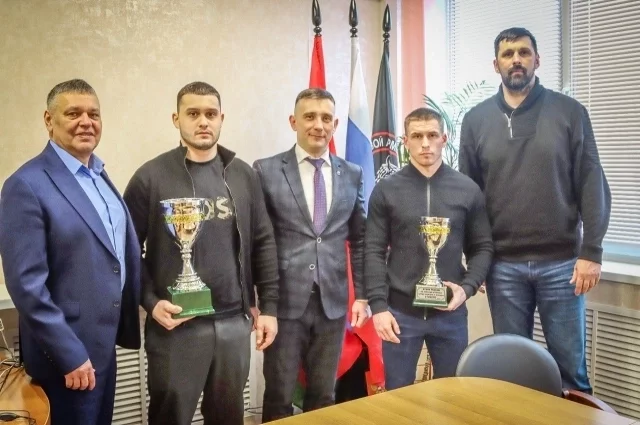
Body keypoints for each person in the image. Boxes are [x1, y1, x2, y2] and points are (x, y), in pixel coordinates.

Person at [459, 27, 611, 393]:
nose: (516, 60)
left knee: (571, 373)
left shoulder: (569, 112)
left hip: (563, 266)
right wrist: (476, 258)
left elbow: (592, 182)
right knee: (512, 373)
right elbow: (469, 196)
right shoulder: (476, 120)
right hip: (503, 268)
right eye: (508, 54)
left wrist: (591, 252)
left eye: (524, 52)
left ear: (537, 60)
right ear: (495, 64)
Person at [122, 81, 279, 425]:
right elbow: (126, 251)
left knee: (228, 417)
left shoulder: (243, 175)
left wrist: (268, 307)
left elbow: (264, 241)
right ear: (176, 119)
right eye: (193, 113)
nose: (203, 121)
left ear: (222, 118)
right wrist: (150, 302)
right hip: (177, 327)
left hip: (233, 322)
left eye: (210, 114)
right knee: (170, 417)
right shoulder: (150, 177)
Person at [0, 79, 141, 425]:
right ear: (49, 120)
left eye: (94, 114)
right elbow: (26, 285)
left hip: (104, 345)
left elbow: (113, 256)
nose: (86, 122)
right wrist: (70, 354)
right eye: (73, 113)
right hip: (66, 356)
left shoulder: (99, 175)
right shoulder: (26, 185)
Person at [254, 88, 368, 422]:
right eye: (310, 117)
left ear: (335, 124)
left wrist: (363, 295)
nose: (318, 125)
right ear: (294, 122)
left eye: (326, 118)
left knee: (324, 396)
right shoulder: (266, 170)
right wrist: (260, 303)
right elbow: (258, 242)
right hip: (284, 304)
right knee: (279, 395)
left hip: (333, 303)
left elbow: (360, 240)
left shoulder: (352, 173)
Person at [365, 107, 493, 389]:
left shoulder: (467, 189)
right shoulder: (386, 190)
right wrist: (378, 307)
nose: (425, 143)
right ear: (405, 141)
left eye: (432, 135)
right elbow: (373, 250)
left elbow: (482, 247)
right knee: (398, 396)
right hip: (399, 314)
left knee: (452, 394)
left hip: (450, 314)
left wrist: (467, 288)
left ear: (444, 139)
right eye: (417, 136)